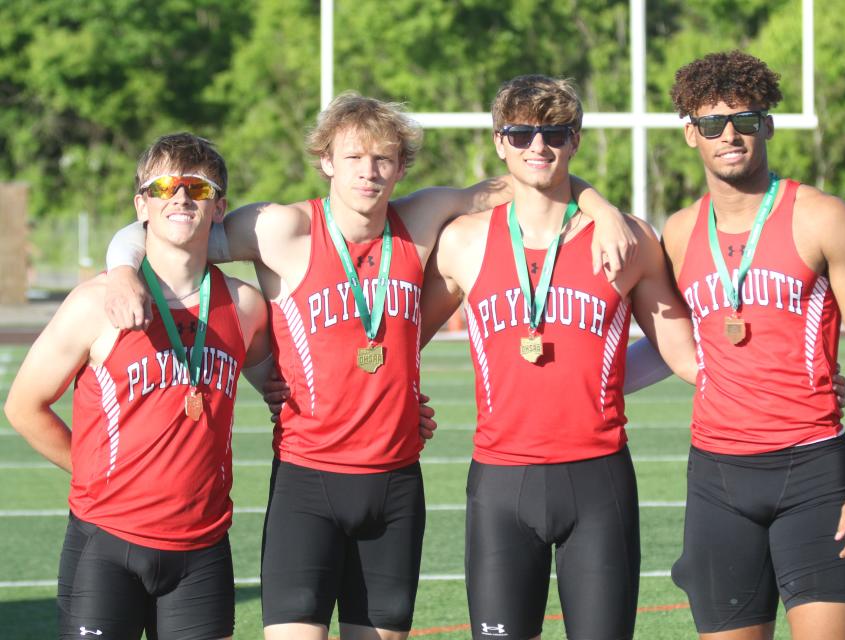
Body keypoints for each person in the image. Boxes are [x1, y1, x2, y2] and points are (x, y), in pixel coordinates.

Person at [102, 93, 635, 640]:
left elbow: (531, 178)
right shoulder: (281, 229)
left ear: (401, 167)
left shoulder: (421, 221)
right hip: (307, 482)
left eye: (383, 158)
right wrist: (121, 270)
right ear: (327, 160)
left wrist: (603, 210)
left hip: (395, 484)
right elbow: (165, 229)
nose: (369, 171)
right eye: (353, 158)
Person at [419, 74, 699, 640]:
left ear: (576, 140)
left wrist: (788, 373)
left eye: (554, 132)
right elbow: (397, 340)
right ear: (500, 142)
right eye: (521, 134)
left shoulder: (628, 241)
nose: (537, 146)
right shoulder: (463, 241)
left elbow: (684, 354)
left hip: (597, 479)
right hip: (500, 481)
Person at [661, 51, 845, 639]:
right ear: (691, 134)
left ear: (766, 123)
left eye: (743, 119)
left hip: (813, 468)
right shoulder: (678, 231)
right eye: (712, 124)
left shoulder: (822, 217)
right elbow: (671, 333)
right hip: (716, 476)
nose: (729, 135)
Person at [3, 133, 273, 640]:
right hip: (106, 541)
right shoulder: (96, 302)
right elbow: (23, 406)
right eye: (164, 186)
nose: (180, 197)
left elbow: (287, 388)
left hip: (203, 544)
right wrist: (92, 469)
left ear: (219, 208)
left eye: (197, 187)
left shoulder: (245, 306)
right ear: (141, 205)